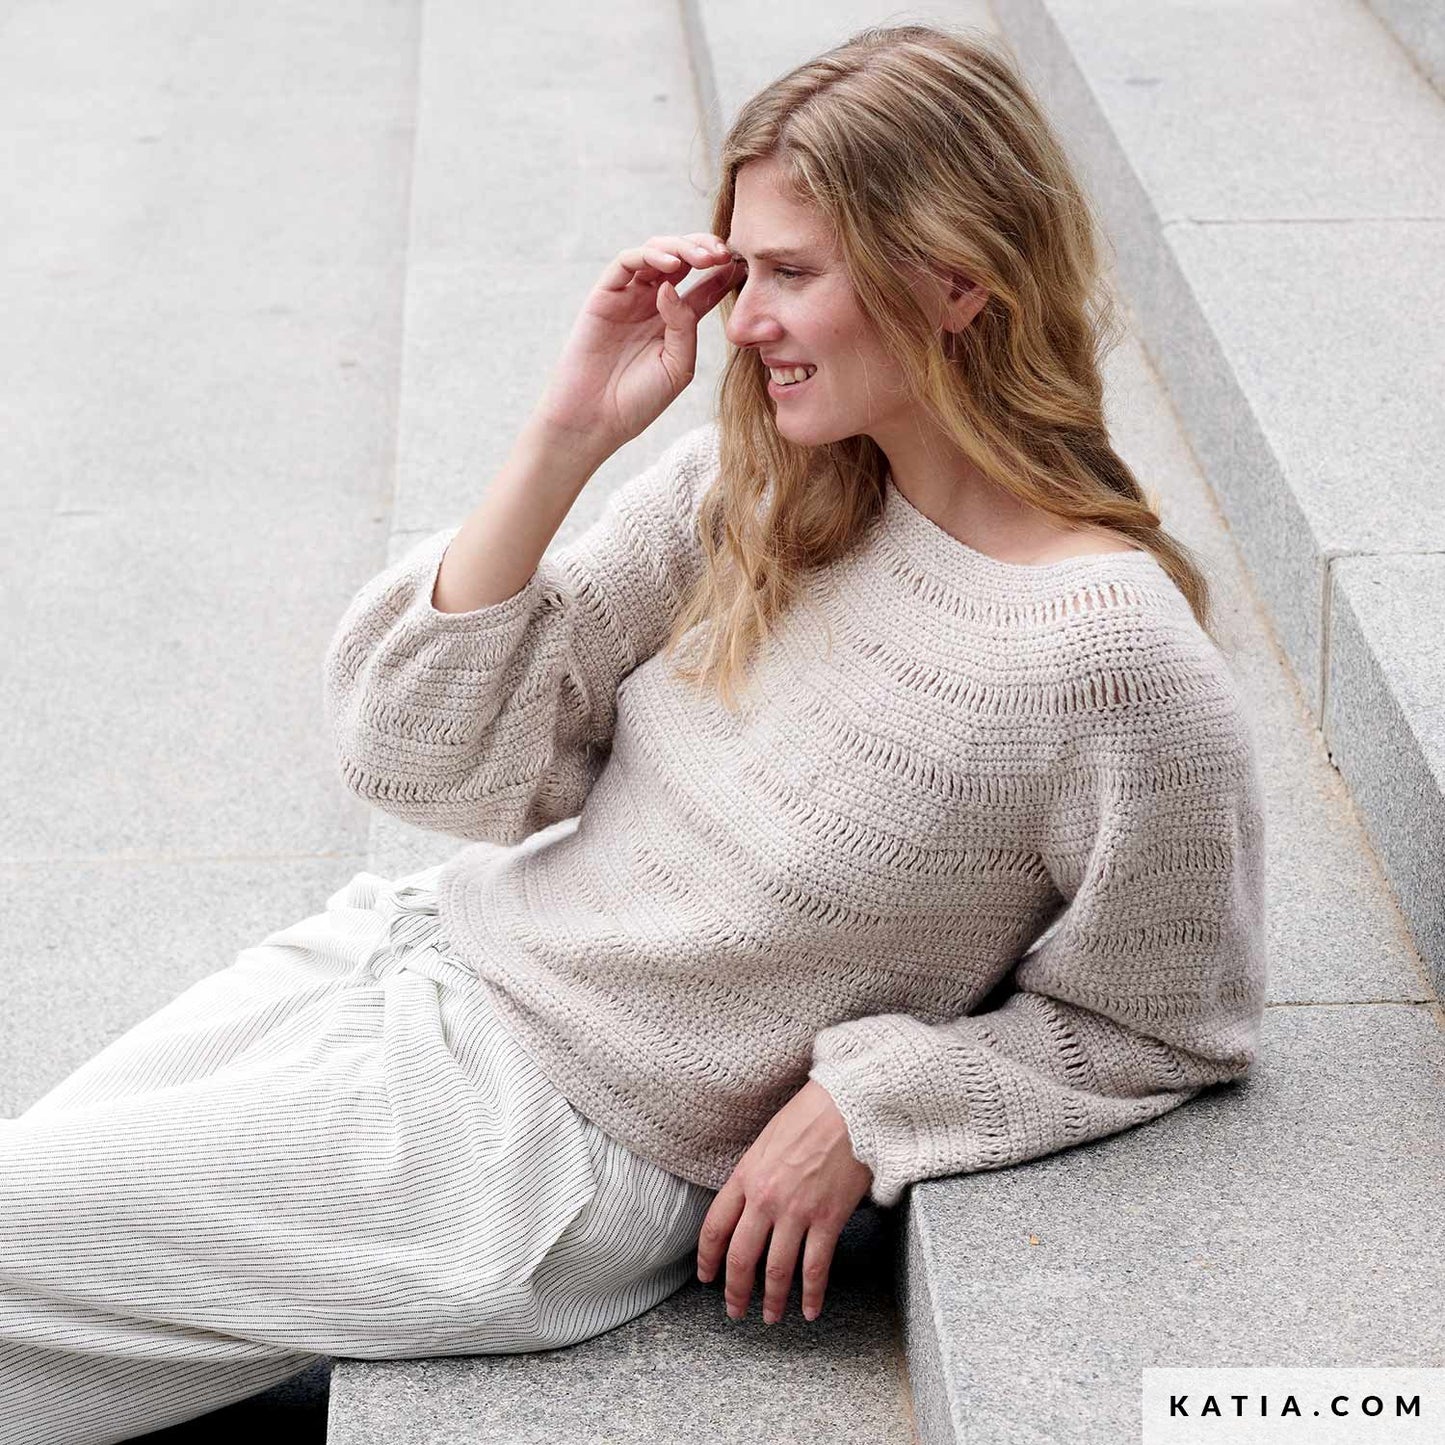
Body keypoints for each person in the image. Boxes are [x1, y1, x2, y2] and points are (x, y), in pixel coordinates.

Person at [0, 21, 1267, 1445]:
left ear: (955, 279)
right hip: (403, 964)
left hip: (530, 1150)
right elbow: (416, 754)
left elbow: (1166, 1019)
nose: (745, 320)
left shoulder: (1106, 658)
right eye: (744, 271)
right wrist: (566, 435)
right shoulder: (759, 490)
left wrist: (875, 1102)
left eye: (792, 273)